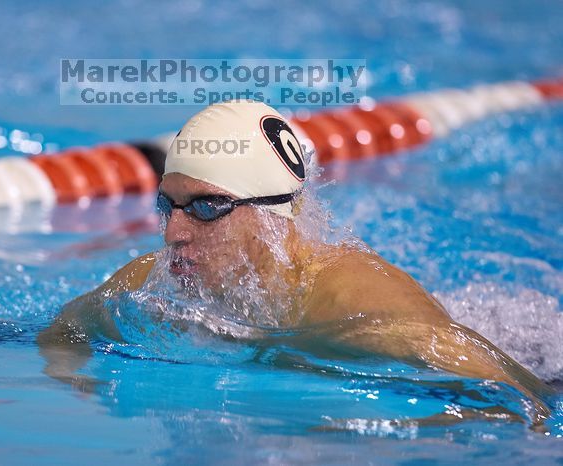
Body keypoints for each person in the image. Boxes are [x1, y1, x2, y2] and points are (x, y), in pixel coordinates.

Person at [38, 100, 553, 426]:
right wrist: (91, 397)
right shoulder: (153, 282)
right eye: (167, 205)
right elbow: (64, 332)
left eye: (206, 208)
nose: (174, 234)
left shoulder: (357, 309)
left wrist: (374, 433)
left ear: (273, 217)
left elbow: (520, 404)